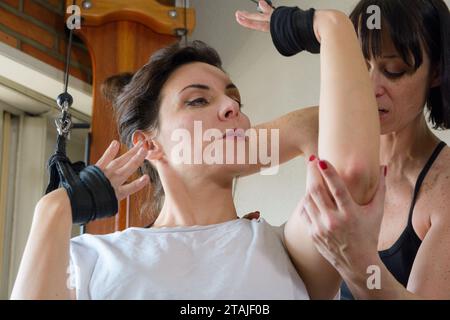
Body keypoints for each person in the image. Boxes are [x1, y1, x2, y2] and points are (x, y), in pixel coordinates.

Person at [10, 2, 380, 299]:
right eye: (198, 100)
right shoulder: (92, 258)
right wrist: (56, 207)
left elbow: (339, 158)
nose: (231, 107)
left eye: (234, 100)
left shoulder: (289, 250)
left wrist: (332, 27)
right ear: (148, 143)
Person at [295, 0, 450, 300]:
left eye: (393, 70)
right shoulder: (324, 125)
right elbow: (222, 151)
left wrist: (355, 260)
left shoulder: (444, 190)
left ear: (436, 73)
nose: (369, 85)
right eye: (359, 65)